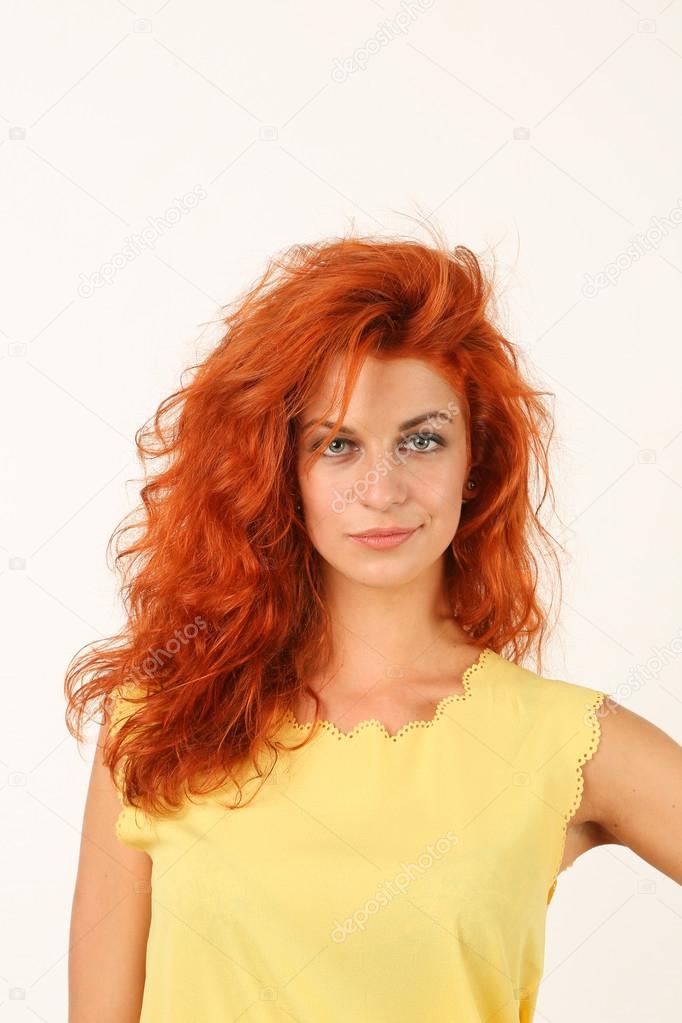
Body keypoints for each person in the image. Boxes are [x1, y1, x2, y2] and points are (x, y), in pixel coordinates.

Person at [66, 229, 682, 1023]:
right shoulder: (161, 719)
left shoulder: (566, 741)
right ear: (277, 468)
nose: (382, 488)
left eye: (422, 439)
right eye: (337, 444)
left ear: (476, 460)